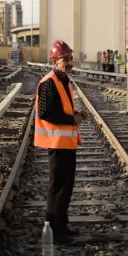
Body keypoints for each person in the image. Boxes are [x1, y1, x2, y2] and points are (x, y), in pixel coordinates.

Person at [35, 40, 88, 244]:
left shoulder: (64, 79)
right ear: (55, 61)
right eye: (65, 59)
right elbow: (46, 112)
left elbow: (62, 110)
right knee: (57, 187)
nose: (69, 62)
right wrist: (71, 119)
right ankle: (55, 232)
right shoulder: (49, 82)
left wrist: (76, 115)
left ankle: (62, 226)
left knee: (66, 186)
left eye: (70, 58)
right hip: (57, 143)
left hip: (67, 143)